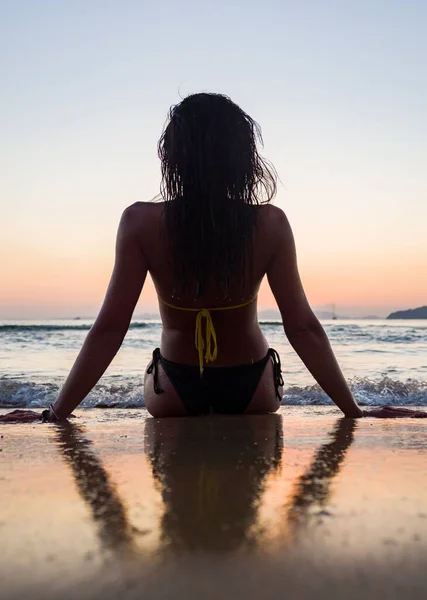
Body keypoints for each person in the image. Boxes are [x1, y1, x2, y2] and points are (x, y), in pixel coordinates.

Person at [1, 93, 425, 423]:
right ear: (242, 158)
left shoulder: (139, 222)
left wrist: (55, 413)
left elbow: (110, 327)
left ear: (173, 156)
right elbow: (303, 328)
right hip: (253, 389)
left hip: (174, 391)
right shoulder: (270, 223)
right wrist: (355, 411)